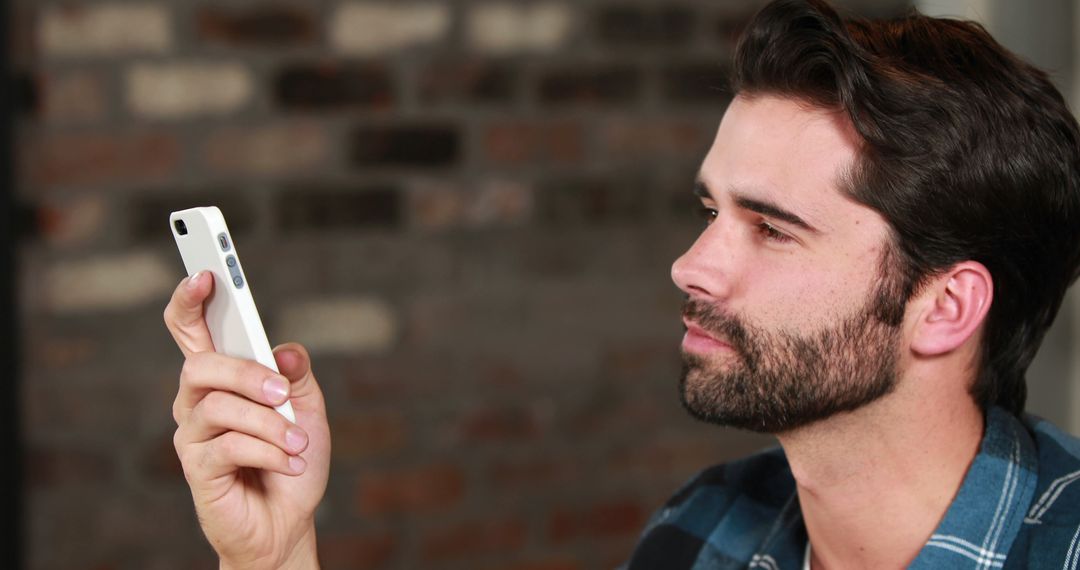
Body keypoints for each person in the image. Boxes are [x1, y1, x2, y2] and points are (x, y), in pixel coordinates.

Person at [163, 0, 1080, 568]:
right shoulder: (702, 534)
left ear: (946, 306)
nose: (691, 266)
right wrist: (276, 556)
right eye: (709, 209)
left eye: (772, 227)